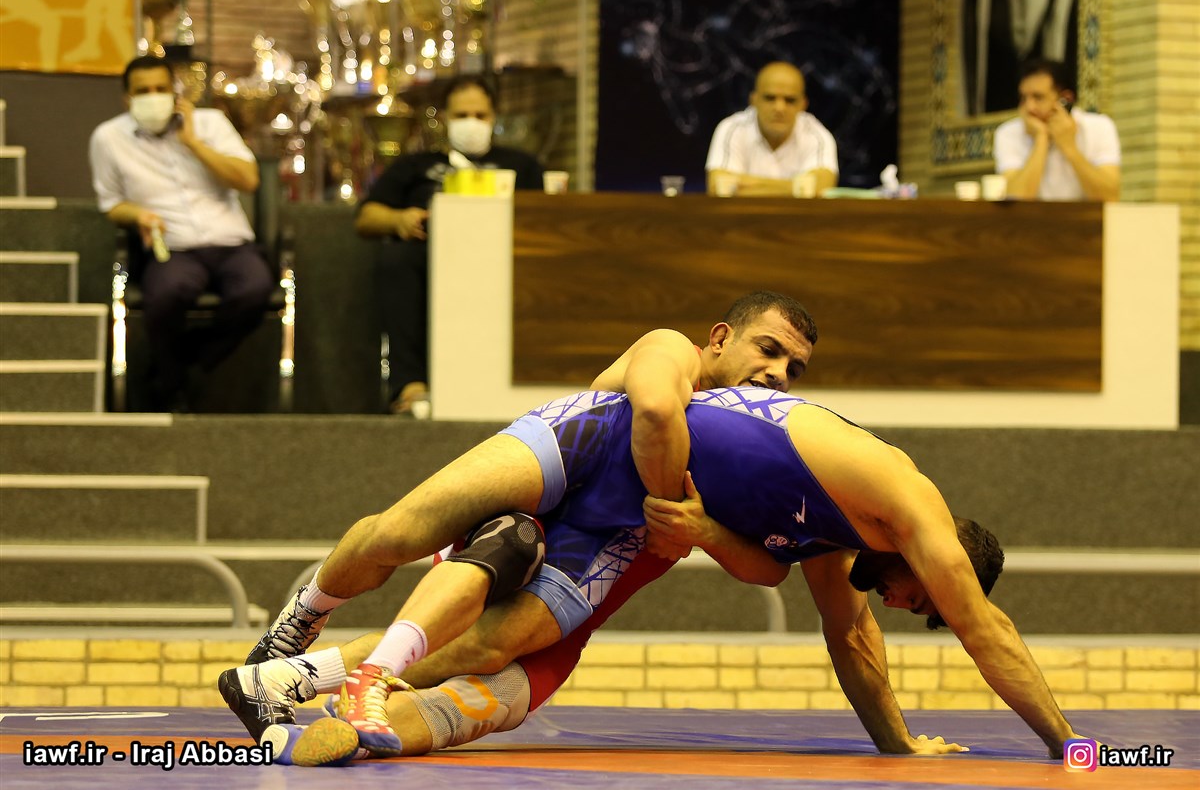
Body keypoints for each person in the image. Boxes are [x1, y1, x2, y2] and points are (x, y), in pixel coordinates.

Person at [269, 384, 1081, 765]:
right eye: (922, 599)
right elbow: (988, 632)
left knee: (504, 660)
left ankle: (298, 697)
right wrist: (1071, 747)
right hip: (591, 453)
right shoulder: (906, 500)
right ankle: (300, 637)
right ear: (940, 564)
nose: (903, 604)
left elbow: (853, 641)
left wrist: (898, 744)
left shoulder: (836, 543)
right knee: (405, 534)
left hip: (621, 526)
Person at [220, 292, 817, 741]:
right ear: (720, 338)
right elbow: (658, 409)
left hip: (601, 535)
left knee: (485, 648)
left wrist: (704, 530)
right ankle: (302, 620)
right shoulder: (675, 350)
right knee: (400, 533)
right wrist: (671, 509)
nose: (778, 374)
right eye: (769, 350)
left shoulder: (750, 448)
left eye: (794, 369)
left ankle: (310, 683)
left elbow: (768, 570)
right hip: (572, 454)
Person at [89, 55, 273, 412]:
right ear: (127, 99)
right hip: (172, 247)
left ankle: (184, 361)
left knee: (254, 290)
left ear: (176, 93)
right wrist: (138, 214)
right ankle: (170, 390)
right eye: (143, 91)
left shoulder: (210, 123)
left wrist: (193, 143)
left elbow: (248, 180)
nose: (153, 96)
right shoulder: (108, 138)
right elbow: (111, 204)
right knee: (167, 293)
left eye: (161, 88)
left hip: (231, 243)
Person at [354, 76, 544, 415]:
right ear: (444, 118)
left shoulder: (522, 166)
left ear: (494, 117)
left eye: (480, 115)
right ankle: (410, 385)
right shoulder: (415, 166)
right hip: (427, 255)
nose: (471, 123)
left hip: (504, 258)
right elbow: (367, 217)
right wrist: (398, 219)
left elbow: (543, 218)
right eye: (461, 115)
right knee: (397, 261)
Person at [993, 59, 1120, 201]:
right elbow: (1015, 200)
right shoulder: (1008, 133)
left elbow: (1109, 197)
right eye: (1023, 98)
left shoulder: (1099, 126)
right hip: (1032, 216)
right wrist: (1041, 139)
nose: (1029, 107)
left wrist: (1069, 146)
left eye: (1038, 97)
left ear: (1065, 99)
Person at [705, 62, 838, 198]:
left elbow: (821, 190)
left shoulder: (818, 136)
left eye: (790, 100)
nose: (779, 108)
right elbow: (717, 188)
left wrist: (740, 185)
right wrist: (798, 188)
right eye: (770, 98)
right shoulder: (732, 129)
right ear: (753, 100)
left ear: (803, 104)